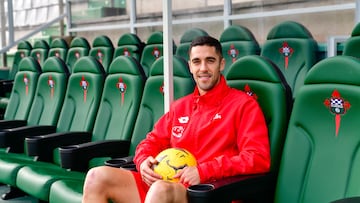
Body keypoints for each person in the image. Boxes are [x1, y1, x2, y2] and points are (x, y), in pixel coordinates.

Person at [82, 36, 271, 203]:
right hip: (168, 185)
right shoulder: (180, 106)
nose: (203, 68)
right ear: (190, 66)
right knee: (96, 177)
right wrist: (143, 162)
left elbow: (258, 158)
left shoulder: (243, 104)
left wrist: (204, 171)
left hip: (209, 192)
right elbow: (151, 141)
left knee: (160, 190)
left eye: (210, 61)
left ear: (221, 64)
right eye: (197, 62)